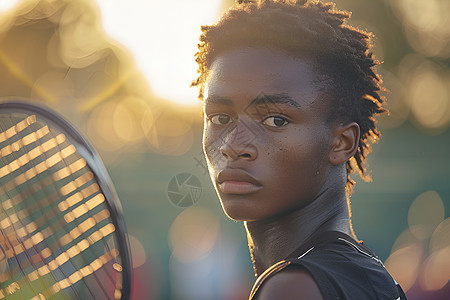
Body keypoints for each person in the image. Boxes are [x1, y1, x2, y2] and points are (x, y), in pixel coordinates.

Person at [192, 0, 407, 299]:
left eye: (275, 120)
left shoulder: (294, 288)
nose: (233, 146)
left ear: (342, 142)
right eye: (220, 118)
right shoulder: (369, 276)